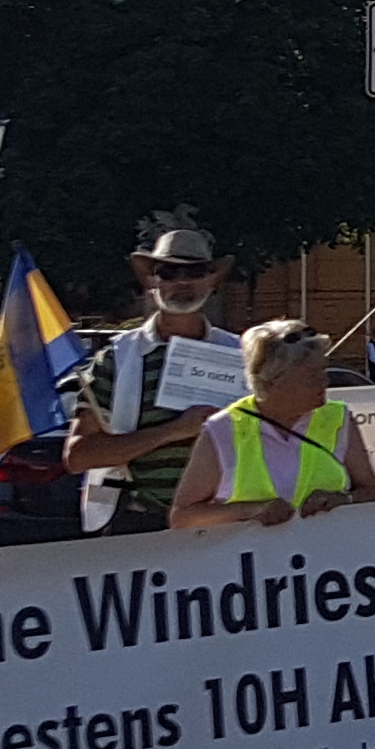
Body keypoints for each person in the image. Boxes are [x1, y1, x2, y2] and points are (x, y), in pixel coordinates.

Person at [169, 321, 375, 749]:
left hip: (321, 596)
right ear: (276, 380)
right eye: (313, 376)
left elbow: (372, 490)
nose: (324, 386)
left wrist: (339, 498)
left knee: (316, 709)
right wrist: (245, 512)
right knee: (238, 717)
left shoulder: (337, 421)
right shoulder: (225, 431)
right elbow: (184, 514)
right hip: (241, 601)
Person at [61, 218, 239, 538]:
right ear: (152, 283)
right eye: (169, 273)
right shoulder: (116, 358)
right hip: (140, 521)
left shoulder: (242, 355)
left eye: (195, 272)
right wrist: (174, 431)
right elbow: (78, 455)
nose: (182, 282)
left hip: (224, 518)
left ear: (213, 282)